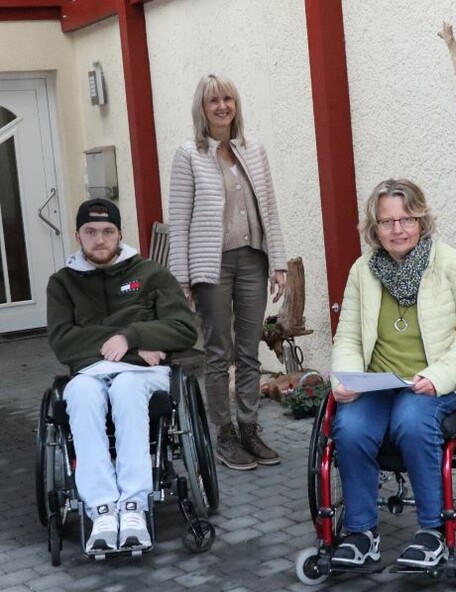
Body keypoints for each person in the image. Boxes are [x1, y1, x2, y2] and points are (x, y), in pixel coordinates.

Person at [330, 178, 456, 569]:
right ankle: (361, 532)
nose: (398, 229)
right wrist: (346, 378)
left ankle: (433, 531)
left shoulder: (450, 264)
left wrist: (439, 376)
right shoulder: (362, 271)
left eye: (407, 219)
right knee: (349, 427)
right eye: (387, 222)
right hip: (379, 384)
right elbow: (349, 335)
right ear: (375, 228)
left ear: (422, 220)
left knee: (412, 419)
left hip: (436, 382)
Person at [47, 199, 198, 553]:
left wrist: (129, 337)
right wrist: (132, 344)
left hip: (143, 376)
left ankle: (133, 505)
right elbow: (63, 343)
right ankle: (101, 508)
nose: (99, 239)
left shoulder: (151, 274)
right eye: (91, 232)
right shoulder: (62, 283)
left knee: (127, 388)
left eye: (107, 231)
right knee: (80, 395)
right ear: (78, 236)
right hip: (91, 373)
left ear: (120, 234)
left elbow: (183, 329)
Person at [168, 74, 288, 471]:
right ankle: (224, 434)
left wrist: (280, 263)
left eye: (228, 99)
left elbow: (269, 209)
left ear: (235, 104)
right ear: (202, 109)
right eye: (213, 100)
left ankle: (250, 428)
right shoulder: (189, 155)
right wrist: (182, 277)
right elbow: (180, 221)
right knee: (219, 352)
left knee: (249, 350)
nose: (222, 106)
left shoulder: (253, 150)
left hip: (252, 258)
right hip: (212, 264)